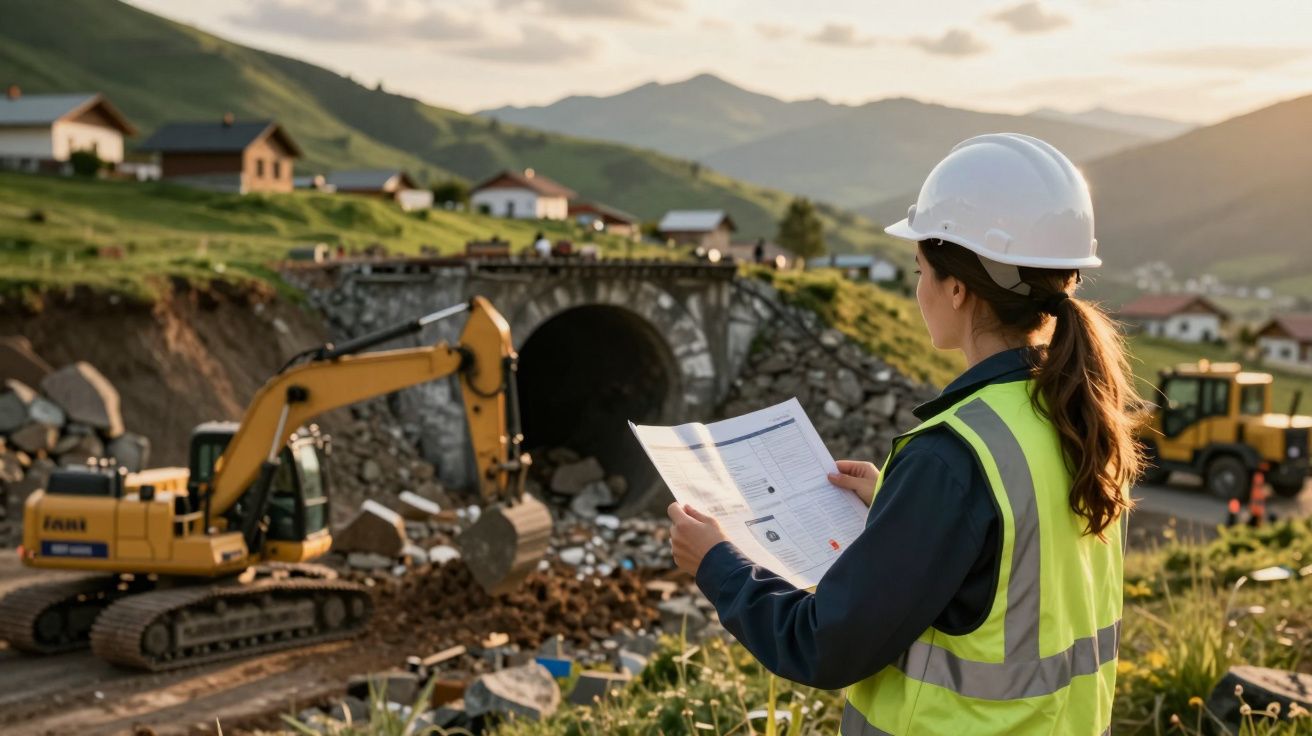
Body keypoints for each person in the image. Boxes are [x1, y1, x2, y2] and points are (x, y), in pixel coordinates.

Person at [667, 133, 1142, 735]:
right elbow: (1014, 561)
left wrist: (717, 565)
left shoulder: (953, 459)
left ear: (957, 287)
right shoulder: (1079, 414)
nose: (918, 289)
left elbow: (821, 644)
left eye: (920, 270)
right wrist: (898, 499)